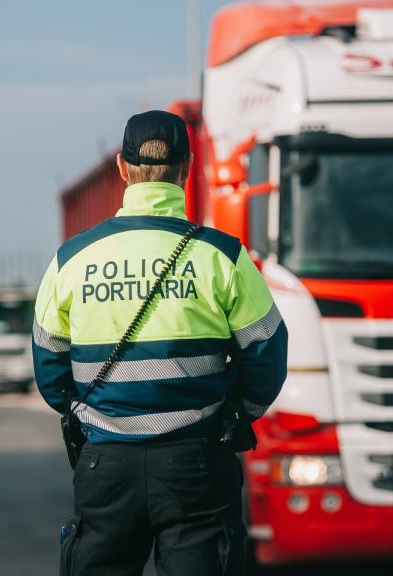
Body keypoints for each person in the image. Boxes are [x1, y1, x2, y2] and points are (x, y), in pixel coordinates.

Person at [32, 110, 288, 575]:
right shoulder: (223, 255)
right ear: (188, 167)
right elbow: (267, 353)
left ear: (122, 168)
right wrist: (236, 413)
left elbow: (49, 364)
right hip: (197, 464)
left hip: (104, 464)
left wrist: (87, 415)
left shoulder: (71, 259)